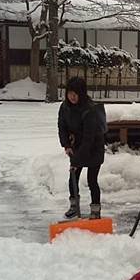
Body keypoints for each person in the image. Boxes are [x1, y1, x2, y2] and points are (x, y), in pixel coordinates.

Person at [58, 76, 105, 219]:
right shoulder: (65, 107)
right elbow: (62, 127)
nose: (72, 96)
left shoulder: (89, 110)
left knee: (92, 180)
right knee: (73, 178)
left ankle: (95, 210)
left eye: (76, 93)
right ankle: (74, 206)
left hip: (94, 147)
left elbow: (89, 138)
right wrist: (66, 145)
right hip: (76, 146)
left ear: (82, 93)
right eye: (70, 92)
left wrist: (77, 159)